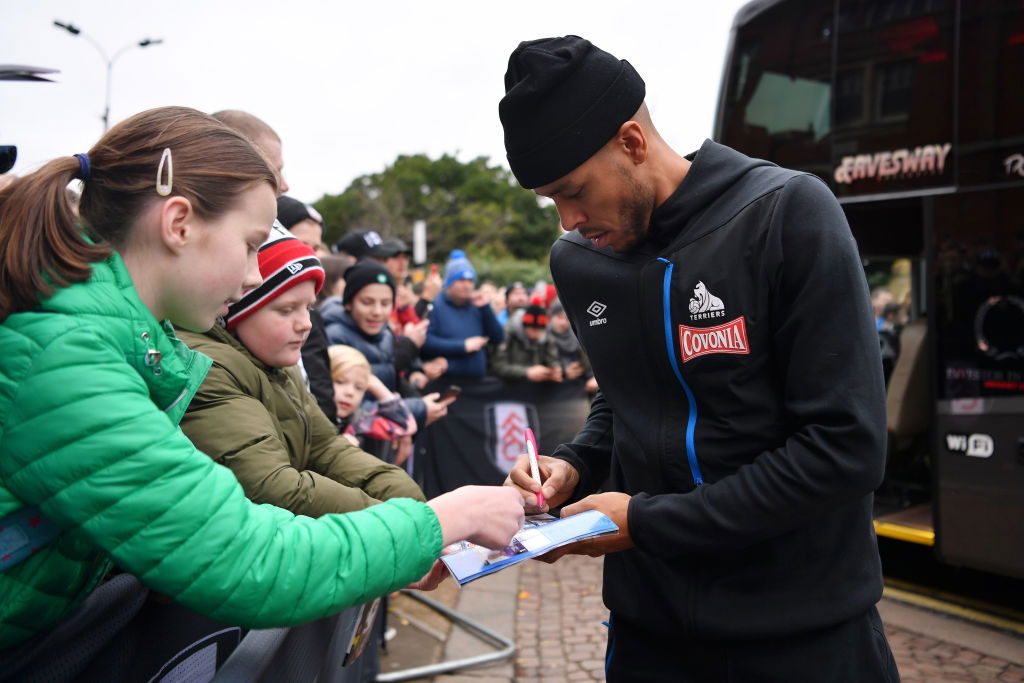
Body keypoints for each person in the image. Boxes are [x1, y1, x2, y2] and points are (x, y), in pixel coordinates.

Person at [0, 106, 525, 662]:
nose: (254, 275)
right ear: (178, 224)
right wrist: (444, 520)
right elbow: (250, 557)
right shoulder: (64, 356)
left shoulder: (106, 341)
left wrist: (409, 531)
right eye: (251, 243)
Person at [499, 37, 896, 681]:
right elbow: (626, 396)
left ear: (632, 142)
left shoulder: (786, 212)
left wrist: (649, 522)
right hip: (648, 633)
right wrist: (575, 464)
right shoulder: (579, 260)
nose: (568, 221)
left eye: (574, 191)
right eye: (550, 201)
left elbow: (845, 448)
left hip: (798, 632)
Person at [177, 224, 423, 515]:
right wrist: (402, 520)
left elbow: (327, 448)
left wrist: (410, 499)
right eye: (286, 309)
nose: (305, 323)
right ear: (235, 308)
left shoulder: (279, 364)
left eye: (308, 307)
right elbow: (272, 486)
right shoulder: (206, 366)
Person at [422, 249, 504, 379]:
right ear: (448, 283)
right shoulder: (436, 306)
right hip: (445, 382)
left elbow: (498, 337)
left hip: (477, 383)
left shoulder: (478, 305)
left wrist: (486, 308)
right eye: (461, 280)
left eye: (470, 280)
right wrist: (462, 346)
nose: (466, 285)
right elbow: (425, 343)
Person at [490, 302, 562, 383]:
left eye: (539, 330)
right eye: (532, 329)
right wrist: (526, 372)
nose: (536, 334)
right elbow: (498, 366)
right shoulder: (507, 334)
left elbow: (552, 360)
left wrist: (554, 370)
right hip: (510, 386)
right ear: (523, 326)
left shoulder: (546, 335)